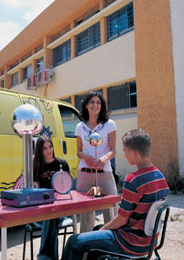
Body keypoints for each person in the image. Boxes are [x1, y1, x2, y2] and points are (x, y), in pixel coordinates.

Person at [61, 129, 170, 260]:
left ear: (133, 153)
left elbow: (121, 219)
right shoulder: (161, 177)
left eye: (125, 151)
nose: (124, 154)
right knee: (96, 229)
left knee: (74, 241)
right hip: (149, 242)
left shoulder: (133, 180)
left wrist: (103, 231)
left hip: (129, 243)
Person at [76, 91, 118, 233]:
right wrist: (84, 156)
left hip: (104, 174)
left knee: (111, 211)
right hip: (85, 175)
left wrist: (104, 158)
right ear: (86, 105)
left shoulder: (109, 124)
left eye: (98, 102)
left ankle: (112, 249)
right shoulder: (80, 127)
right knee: (87, 214)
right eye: (92, 102)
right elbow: (78, 152)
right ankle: (85, 252)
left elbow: (113, 150)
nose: (95, 105)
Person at [33, 135, 70, 260]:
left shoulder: (62, 164)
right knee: (49, 214)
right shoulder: (36, 167)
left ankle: (45, 256)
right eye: (45, 148)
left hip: (60, 209)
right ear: (40, 150)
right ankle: (48, 256)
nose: (49, 150)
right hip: (41, 211)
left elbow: (68, 189)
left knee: (51, 214)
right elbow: (35, 192)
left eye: (50, 147)